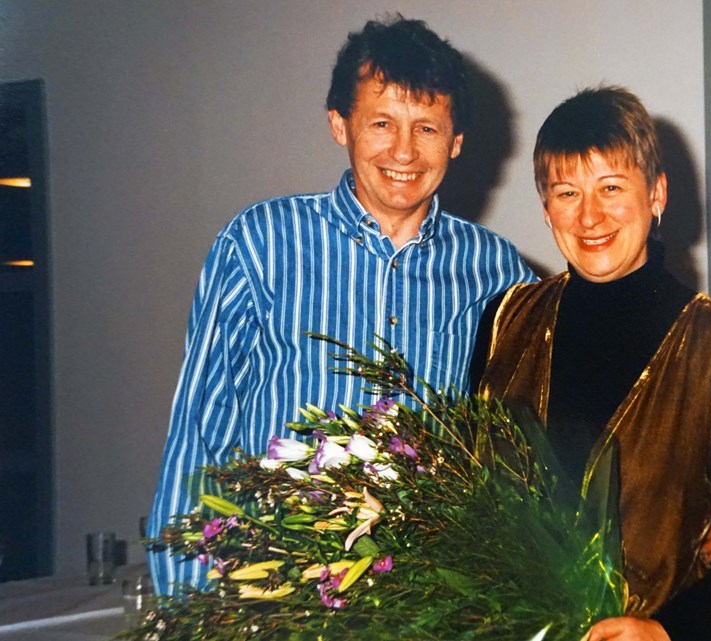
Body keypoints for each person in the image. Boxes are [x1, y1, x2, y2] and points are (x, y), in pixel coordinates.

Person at [147, 15, 535, 595]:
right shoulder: (260, 244)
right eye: (381, 122)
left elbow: (532, 446)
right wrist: (190, 609)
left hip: (430, 604)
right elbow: (200, 439)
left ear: (456, 142)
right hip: (278, 601)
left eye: (427, 128)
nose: (403, 150)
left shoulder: (497, 271)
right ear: (339, 125)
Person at [472, 87, 711, 641]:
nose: (589, 215)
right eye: (567, 192)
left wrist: (668, 630)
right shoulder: (505, 322)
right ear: (546, 208)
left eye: (611, 187)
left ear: (656, 194)